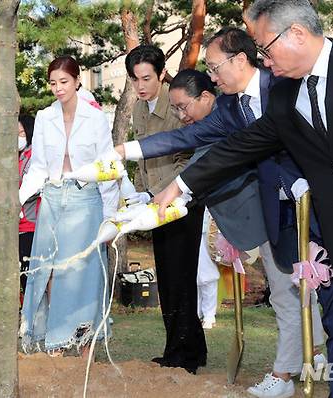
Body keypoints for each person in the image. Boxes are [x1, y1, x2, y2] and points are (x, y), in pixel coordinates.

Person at [156, 1, 333, 396]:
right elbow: (241, 146)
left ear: (298, 34)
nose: (263, 60)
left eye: (266, 49)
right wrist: (181, 185)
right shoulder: (285, 97)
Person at [117, 43, 331, 395]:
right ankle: (313, 351)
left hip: (290, 210)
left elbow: (204, 164)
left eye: (185, 106)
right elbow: (180, 139)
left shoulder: (257, 101)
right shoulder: (227, 111)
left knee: (292, 290)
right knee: (294, 289)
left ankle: (286, 374)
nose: (183, 115)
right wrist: (127, 155)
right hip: (261, 218)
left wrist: (168, 194)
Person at [18, 55, 118, 356]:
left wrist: (111, 217)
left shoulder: (96, 118)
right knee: (47, 271)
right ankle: (54, 341)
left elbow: (108, 168)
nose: (58, 88)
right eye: (53, 83)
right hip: (51, 200)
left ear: (77, 81)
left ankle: (86, 343)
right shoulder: (45, 118)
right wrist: (19, 198)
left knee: (85, 273)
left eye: (64, 82)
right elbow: (37, 168)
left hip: (87, 202)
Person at [122, 45, 206, 373]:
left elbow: (188, 157)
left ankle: (183, 354)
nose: (141, 86)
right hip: (156, 203)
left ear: (161, 74)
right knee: (168, 278)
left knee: (181, 278)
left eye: (146, 78)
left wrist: (162, 192)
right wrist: (144, 193)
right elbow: (144, 158)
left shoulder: (176, 105)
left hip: (182, 202)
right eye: (135, 80)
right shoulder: (140, 110)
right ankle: (186, 349)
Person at [18, 114, 38, 302]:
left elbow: (33, 189)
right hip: (18, 225)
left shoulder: (33, 157)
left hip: (31, 222)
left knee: (30, 271)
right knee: (23, 274)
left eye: (22, 132)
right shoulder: (17, 157)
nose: (18, 137)